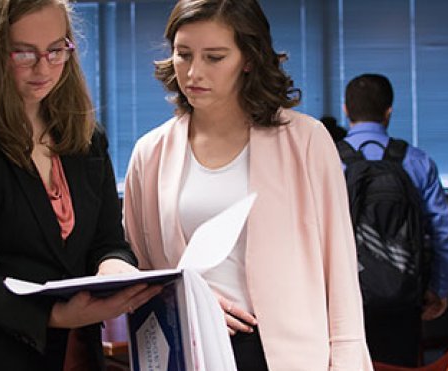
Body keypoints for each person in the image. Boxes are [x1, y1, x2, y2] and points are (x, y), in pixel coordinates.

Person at [0, 0, 161, 370]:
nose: (44, 68)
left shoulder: (85, 137)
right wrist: (55, 314)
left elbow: (108, 241)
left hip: (70, 353)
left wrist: (114, 267)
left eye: (56, 51)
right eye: (24, 53)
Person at [122, 0, 373, 369]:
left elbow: (339, 270)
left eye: (214, 57)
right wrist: (189, 304)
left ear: (249, 59)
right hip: (193, 350)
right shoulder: (150, 153)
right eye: (183, 54)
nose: (193, 72)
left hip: (288, 353)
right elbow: (140, 275)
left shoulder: (305, 140)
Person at [342, 73, 448, 366]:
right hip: (404, 296)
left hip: (344, 297)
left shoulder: (330, 159)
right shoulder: (416, 160)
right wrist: (438, 289)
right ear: (388, 111)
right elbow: (443, 232)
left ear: (346, 109)